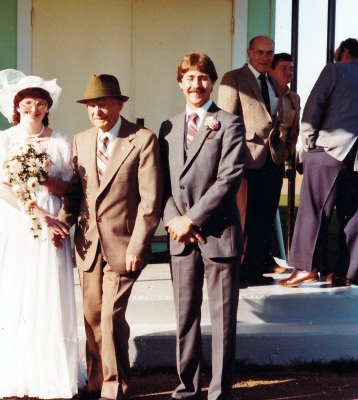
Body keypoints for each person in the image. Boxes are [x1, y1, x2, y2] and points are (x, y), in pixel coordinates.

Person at [51, 74, 162, 400]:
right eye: (91, 105)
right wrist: (61, 223)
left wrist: (139, 245)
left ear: (119, 104)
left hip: (124, 244)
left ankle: (115, 389)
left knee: (111, 316)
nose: (96, 111)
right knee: (92, 316)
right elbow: (75, 194)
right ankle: (98, 380)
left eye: (103, 104)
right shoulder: (82, 140)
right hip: (88, 244)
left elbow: (150, 200)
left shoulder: (142, 139)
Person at [0, 69, 82, 398]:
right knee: (15, 291)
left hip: (53, 215)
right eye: (26, 103)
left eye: (39, 103)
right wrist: (36, 213)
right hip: (15, 217)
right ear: (16, 105)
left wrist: (44, 175)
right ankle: (12, 375)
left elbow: (67, 186)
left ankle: (48, 377)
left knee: (49, 289)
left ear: (47, 107)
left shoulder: (61, 139)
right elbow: (1, 187)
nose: (33, 109)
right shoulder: (3, 139)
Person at [159, 52, 245, 400]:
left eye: (203, 78)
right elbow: (162, 184)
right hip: (180, 238)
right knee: (186, 317)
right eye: (189, 78)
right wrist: (173, 222)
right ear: (180, 82)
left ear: (212, 82)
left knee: (222, 319)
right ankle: (187, 388)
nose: (196, 84)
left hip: (218, 235)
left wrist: (191, 219)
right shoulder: (168, 127)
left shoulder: (229, 123)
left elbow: (229, 180)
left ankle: (220, 392)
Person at [279, 38, 358, 288]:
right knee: (354, 216)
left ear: (344, 52)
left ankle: (305, 268)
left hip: (330, 150)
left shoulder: (334, 69)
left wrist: (309, 143)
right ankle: (348, 272)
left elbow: (314, 106)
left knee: (312, 210)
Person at [218, 35, 285, 285]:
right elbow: (225, 121)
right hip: (245, 160)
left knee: (264, 219)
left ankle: (255, 271)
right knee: (242, 219)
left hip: (272, 160)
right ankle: (237, 273)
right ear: (249, 53)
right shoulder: (233, 78)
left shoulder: (272, 82)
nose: (265, 58)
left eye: (269, 53)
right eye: (260, 52)